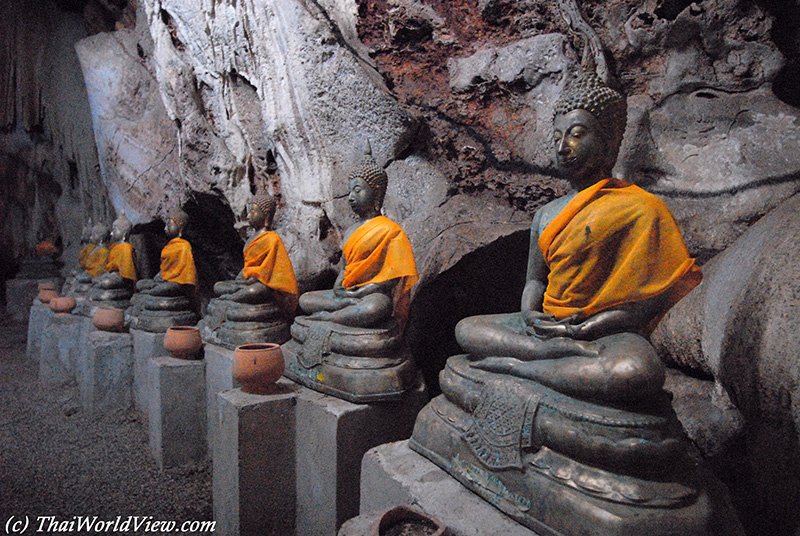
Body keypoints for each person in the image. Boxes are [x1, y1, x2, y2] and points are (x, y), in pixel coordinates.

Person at [409, 73, 729, 536]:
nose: (563, 146)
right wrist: (531, 317)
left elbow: (655, 297)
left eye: (577, 133)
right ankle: (534, 363)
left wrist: (594, 326)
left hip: (603, 333)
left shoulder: (641, 208)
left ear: (611, 139)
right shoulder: (546, 214)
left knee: (635, 373)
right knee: (468, 330)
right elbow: (534, 283)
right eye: (557, 136)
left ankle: (516, 368)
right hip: (545, 334)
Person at [282, 148, 421, 402]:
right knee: (306, 300)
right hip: (348, 297)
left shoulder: (390, 231)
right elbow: (344, 270)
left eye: (358, 190)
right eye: (350, 191)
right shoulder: (351, 231)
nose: (351, 197)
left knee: (377, 308)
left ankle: (327, 318)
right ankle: (338, 315)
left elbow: (392, 278)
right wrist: (340, 291)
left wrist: (365, 290)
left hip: (372, 295)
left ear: (377, 193)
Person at [200, 194, 298, 348]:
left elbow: (271, 270)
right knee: (219, 285)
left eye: (253, 211)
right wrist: (239, 282)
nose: (249, 215)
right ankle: (234, 297)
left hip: (263, 284)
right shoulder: (250, 239)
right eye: (249, 212)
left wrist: (252, 281)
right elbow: (247, 269)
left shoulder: (272, 239)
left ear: (266, 215)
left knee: (254, 291)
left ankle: (232, 299)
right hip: (246, 281)